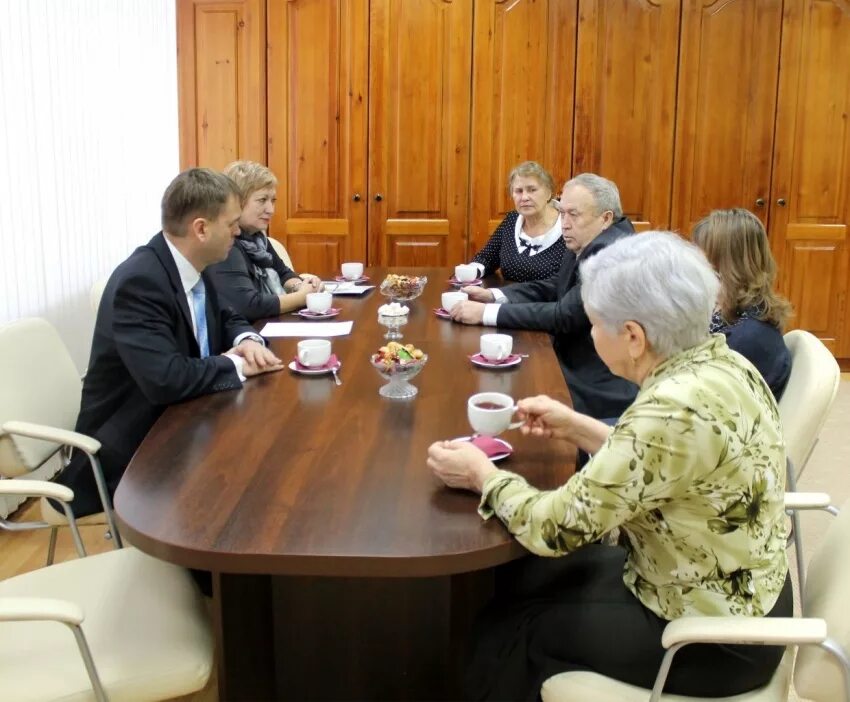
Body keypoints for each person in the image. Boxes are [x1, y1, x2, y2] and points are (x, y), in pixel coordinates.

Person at [429, 231, 791, 700]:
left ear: (633, 337)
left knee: (513, 625)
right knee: (520, 578)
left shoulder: (668, 410)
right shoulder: (721, 363)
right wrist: (577, 426)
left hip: (711, 636)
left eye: (595, 324)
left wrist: (484, 475)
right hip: (739, 591)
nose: (591, 333)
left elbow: (554, 528)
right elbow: (667, 461)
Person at [55, 168, 283, 518]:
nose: (238, 232)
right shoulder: (141, 282)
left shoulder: (192, 262)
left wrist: (247, 338)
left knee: (263, 463)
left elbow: (226, 316)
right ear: (201, 229)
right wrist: (237, 364)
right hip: (133, 449)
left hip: (184, 421)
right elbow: (167, 379)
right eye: (231, 223)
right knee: (243, 494)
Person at [450, 173, 638, 419]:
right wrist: (495, 295)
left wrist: (486, 314)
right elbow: (556, 285)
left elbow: (565, 315)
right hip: (570, 361)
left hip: (594, 385)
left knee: (503, 394)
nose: (565, 223)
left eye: (574, 214)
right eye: (562, 213)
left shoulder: (610, 251)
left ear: (605, 218)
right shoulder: (590, 237)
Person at [692, 208, 792, 399]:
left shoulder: (748, 337)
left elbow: (703, 400)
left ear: (726, 263)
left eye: (698, 254)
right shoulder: (728, 309)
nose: (692, 261)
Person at [206, 160, 323, 321]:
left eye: (273, 201)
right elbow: (249, 305)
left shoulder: (257, 238)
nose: (271, 210)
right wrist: (302, 298)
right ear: (237, 202)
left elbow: (283, 272)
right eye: (262, 200)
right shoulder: (227, 245)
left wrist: (302, 285)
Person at [466, 161, 565, 282]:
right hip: (506, 298)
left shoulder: (567, 225)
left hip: (550, 300)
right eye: (518, 191)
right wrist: (468, 273)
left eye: (532, 190)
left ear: (549, 192)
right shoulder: (512, 219)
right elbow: (487, 258)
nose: (524, 197)